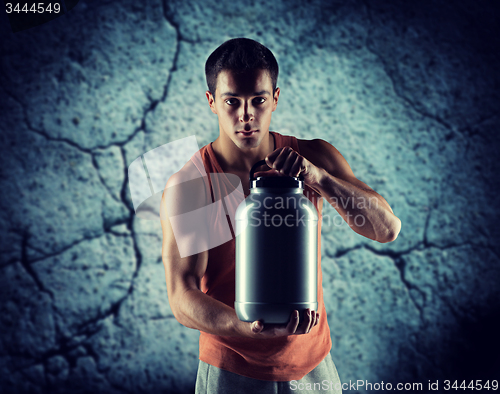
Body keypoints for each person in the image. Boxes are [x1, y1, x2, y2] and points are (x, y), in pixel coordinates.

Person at [160, 38, 401, 393]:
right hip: (232, 368)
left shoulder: (314, 156)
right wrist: (244, 326)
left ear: (275, 98)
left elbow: (387, 229)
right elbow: (182, 297)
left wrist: (319, 179)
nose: (246, 116)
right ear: (212, 102)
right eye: (232, 102)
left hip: (313, 362)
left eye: (258, 100)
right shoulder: (193, 184)